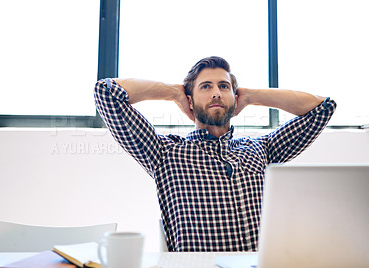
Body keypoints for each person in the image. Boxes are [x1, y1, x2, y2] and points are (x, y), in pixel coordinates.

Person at [94, 56, 336, 252]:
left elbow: (323, 108)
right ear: (190, 101)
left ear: (235, 97)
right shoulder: (164, 153)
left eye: (224, 86)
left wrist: (252, 96)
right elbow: (106, 92)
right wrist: (173, 92)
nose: (216, 93)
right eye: (206, 87)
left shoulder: (262, 149)